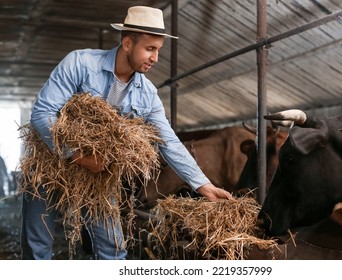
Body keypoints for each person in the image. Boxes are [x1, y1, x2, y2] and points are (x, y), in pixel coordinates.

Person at [21, 6, 232, 260]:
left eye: (159, 50)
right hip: (50, 163)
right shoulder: (80, 63)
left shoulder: (147, 94)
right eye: (150, 49)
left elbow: (168, 141)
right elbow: (43, 113)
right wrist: (76, 155)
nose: (155, 57)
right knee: (38, 246)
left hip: (97, 176)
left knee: (113, 247)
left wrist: (203, 185)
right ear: (128, 43)